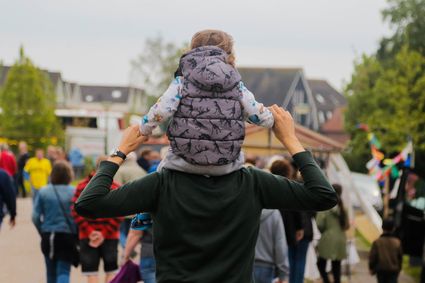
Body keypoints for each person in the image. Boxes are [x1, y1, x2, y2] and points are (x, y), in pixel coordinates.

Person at [74, 105, 338, 283]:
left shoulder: (162, 184)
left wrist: (120, 151)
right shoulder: (253, 183)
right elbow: (322, 195)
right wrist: (290, 139)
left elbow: (89, 203)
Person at [139, 29, 274, 176]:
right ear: (229, 53)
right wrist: (272, 118)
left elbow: (162, 110)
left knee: (160, 175)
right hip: (226, 163)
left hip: (182, 161)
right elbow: (257, 115)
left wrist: (144, 128)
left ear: (192, 51)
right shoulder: (235, 83)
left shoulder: (182, 81)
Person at [72, 156, 123, 283]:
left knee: (91, 273)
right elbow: (120, 213)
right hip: (110, 235)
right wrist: (104, 233)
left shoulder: (81, 186)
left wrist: (90, 232)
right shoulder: (116, 187)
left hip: (87, 235)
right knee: (111, 272)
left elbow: (75, 211)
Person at [32, 161, 77, 283]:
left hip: (48, 235)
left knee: (50, 272)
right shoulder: (74, 191)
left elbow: (35, 216)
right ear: (69, 175)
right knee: (64, 271)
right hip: (67, 235)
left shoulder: (43, 191)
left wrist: (42, 230)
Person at [270, 159, 313, 283]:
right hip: (298, 230)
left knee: (287, 262)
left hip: (288, 230)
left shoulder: (272, 187)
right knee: (297, 262)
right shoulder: (297, 185)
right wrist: (300, 228)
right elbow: (302, 209)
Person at [316, 184, 349, 283]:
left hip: (327, 238)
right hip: (341, 239)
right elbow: (346, 226)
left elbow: (319, 223)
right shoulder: (344, 208)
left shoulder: (325, 206)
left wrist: (324, 232)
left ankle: (326, 281)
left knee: (321, 264)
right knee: (336, 267)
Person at [113, 152, 147, 248]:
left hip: (124, 206)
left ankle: (127, 249)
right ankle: (129, 250)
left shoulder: (120, 170)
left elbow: (116, 189)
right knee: (133, 232)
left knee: (121, 231)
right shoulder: (141, 170)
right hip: (139, 207)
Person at [254, 209, 289, 283]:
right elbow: (280, 245)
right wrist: (283, 274)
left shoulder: (244, 210)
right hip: (266, 267)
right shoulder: (274, 214)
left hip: (245, 267)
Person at [369, 219, 403, 283]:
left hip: (381, 270)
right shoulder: (397, 242)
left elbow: (373, 256)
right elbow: (400, 257)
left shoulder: (377, 242)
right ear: (393, 228)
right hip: (393, 271)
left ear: (382, 227)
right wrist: (399, 268)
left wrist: (371, 267)